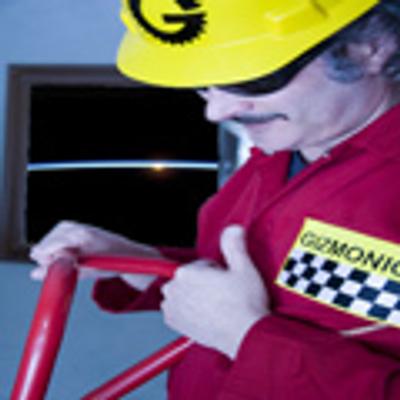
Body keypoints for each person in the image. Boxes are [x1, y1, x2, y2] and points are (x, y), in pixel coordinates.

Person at [30, 0, 400, 398]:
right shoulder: (276, 157)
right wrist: (142, 262)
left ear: (373, 46)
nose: (217, 111)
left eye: (251, 76)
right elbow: (282, 290)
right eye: (205, 82)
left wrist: (245, 335)